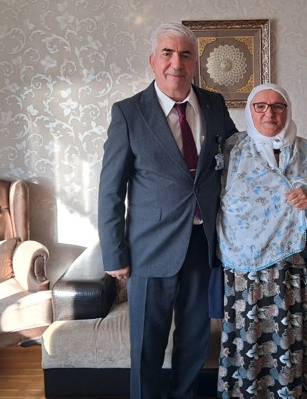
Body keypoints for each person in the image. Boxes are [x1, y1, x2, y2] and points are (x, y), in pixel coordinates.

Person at [98, 22, 238, 399]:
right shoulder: (128, 113)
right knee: (147, 346)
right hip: (149, 249)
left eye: (185, 55)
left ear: (195, 63)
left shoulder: (214, 104)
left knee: (194, 343)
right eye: (167, 53)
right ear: (153, 61)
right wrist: (114, 254)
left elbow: (237, 158)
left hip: (203, 245)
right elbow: (110, 190)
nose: (177, 63)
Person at [216, 83, 307, 398]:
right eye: (260, 106)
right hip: (245, 273)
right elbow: (214, 198)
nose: (269, 113)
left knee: (290, 341)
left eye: (277, 106)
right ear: (250, 111)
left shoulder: (305, 150)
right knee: (250, 343)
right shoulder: (232, 150)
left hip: (294, 271)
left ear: (287, 111)